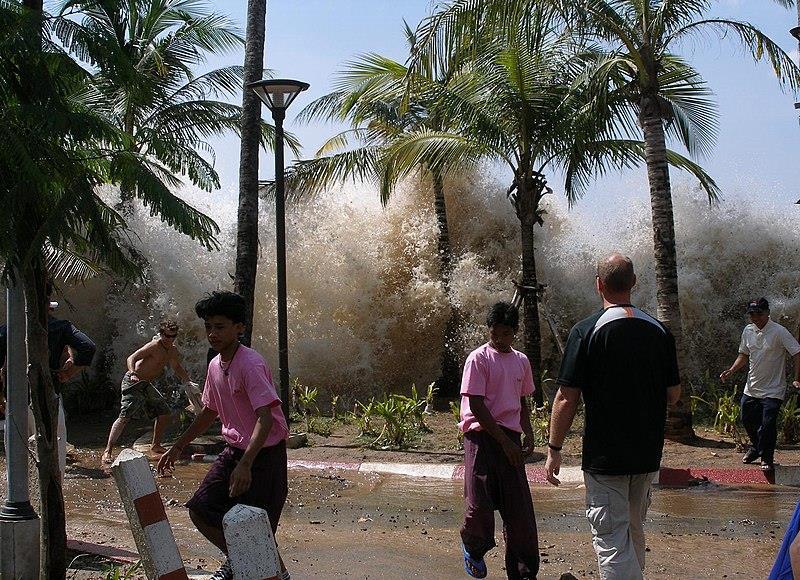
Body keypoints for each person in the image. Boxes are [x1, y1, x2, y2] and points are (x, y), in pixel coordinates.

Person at [546, 253, 680, 580]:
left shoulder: (586, 331)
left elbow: (566, 397)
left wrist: (554, 449)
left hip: (606, 457)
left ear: (599, 285)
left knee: (611, 538)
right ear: (634, 283)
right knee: (633, 531)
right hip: (646, 455)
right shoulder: (659, 331)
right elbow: (674, 394)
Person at [157, 291, 290, 580]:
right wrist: (178, 445)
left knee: (257, 527)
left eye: (220, 327)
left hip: (263, 454)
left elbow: (265, 419)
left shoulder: (250, 364)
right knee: (201, 509)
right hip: (234, 451)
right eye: (208, 327)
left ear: (239, 327)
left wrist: (246, 465)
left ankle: (278, 575)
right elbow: (209, 411)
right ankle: (238, 559)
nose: (212, 334)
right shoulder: (216, 365)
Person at [458, 301, 538, 580]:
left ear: (515, 332)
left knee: (519, 512)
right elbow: (477, 405)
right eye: (496, 332)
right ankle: (473, 548)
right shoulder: (478, 359)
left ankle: (523, 571)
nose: (501, 338)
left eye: (506, 333)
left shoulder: (521, 361)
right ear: (489, 330)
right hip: (481, 437)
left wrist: (527, 432)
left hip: (511, 437)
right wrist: (504, 442)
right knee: (479, 504)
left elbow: (522, 400)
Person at [0, 284, 96, 477]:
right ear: (46, 306)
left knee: (18, 445)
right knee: (54, 443)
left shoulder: (8, 329)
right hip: (48, 392)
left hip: (16, 394)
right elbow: (88, 347)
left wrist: (0, 397)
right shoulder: (61, 327)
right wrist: (70, 372)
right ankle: (53, 488)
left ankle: (19, 492)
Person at [720, 297, 800, 472]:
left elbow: (797, 352)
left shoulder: (779, 332)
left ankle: (767, 457)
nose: (755, 317)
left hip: (774, 389)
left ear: (767, 313)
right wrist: (731, 370)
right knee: (747, 419)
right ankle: (756, 448)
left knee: (768, 424)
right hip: (752, 387)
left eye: (759, 313)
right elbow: (743, 354)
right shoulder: (748, 330)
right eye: (752, 314)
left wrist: (797, 377)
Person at [101, 319, 193, 464]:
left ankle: (155, 445)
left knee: (164, 413)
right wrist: (132, 373)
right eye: (167, 336)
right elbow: (132, 357)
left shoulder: (172, 350)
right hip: (133, 382)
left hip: (146, 384)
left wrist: (188, 382)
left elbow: (176, 367)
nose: (170, 339)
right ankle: (107, 451)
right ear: (161, 334)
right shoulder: (154, 346)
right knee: (125, 417)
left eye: (173, 336)